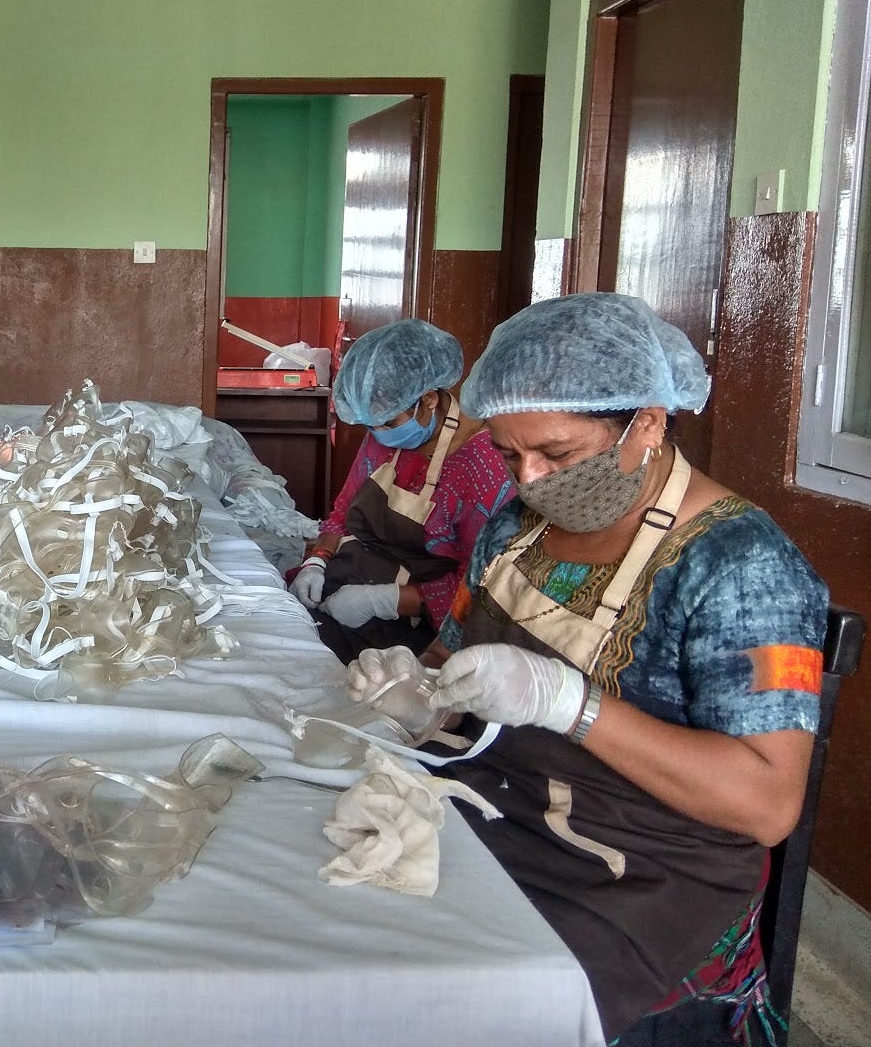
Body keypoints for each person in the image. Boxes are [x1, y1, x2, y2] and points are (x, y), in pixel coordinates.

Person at [346, 293, 827, 1045]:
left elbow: (767, 803)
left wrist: (575, 705)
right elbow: (449, 653)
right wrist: (419, 695)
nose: (532, 478)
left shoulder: (745, 570)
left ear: (648, 423)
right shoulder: (514, 528)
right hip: (501, 807)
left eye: (559, 455)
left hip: (641, 876)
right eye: (510, 455)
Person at [291, 319, 513, 662]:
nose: (378, 433)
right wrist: (317, 561)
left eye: (388, 422)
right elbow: (342, 514)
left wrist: (384, 600)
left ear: (427, 399)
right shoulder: (383, 439)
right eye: (370, 425)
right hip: (356, 579)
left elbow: (480, 585)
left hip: (427, 625)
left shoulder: (482, 465)